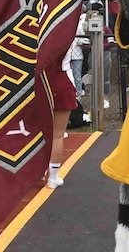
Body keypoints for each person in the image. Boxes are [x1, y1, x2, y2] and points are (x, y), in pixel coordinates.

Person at [46, 38, 78, 189]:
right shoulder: (67, 31)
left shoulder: (36, 29)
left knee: (38, 134)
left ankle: (37, 171)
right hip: (62, 80)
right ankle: (52, 177)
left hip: (40, 82)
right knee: (57, 135)